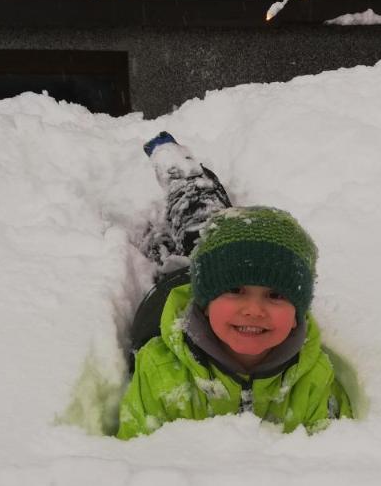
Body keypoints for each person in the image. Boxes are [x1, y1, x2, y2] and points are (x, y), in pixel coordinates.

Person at [117, 136, 350, 439]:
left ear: (297, 311)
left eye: (275, 295)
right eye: (237, 291)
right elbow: (132, 456)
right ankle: (182, 175)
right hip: (170, 292)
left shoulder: (312, 378)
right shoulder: (159, 372)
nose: (254, 310)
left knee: (199, 234)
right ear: (204, 303)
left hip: (212, 276)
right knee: (193, 227)